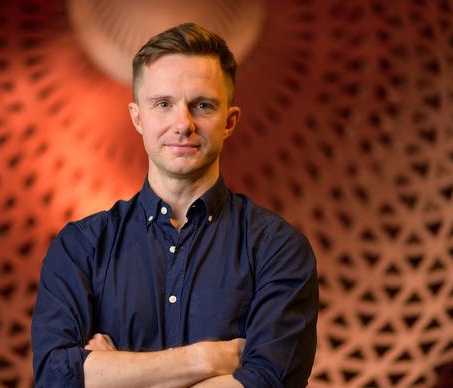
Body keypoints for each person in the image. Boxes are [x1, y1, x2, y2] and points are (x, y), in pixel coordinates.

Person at [31, 22, 318, 388]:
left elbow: (268, 382)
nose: (183, 124)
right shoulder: (81, 248)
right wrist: (206, 359)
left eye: (202, 105)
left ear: (230, 121)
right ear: (138, 118)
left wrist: (112, 373)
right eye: (163, 104)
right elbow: (56, 378)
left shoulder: (277, 249)